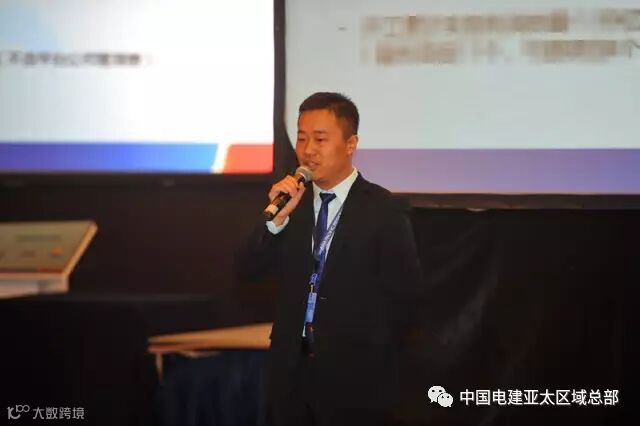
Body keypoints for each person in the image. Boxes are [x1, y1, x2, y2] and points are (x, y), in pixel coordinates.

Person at [236, 92, 422, 426]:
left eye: (320, 139)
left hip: (355, 383)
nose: (308, 150)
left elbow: (405, 300)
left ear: (351, 144)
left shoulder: (384, 210)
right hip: (290, 378)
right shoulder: (289, 204)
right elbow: (247, 270)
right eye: (302, 138)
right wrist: (276, 222)